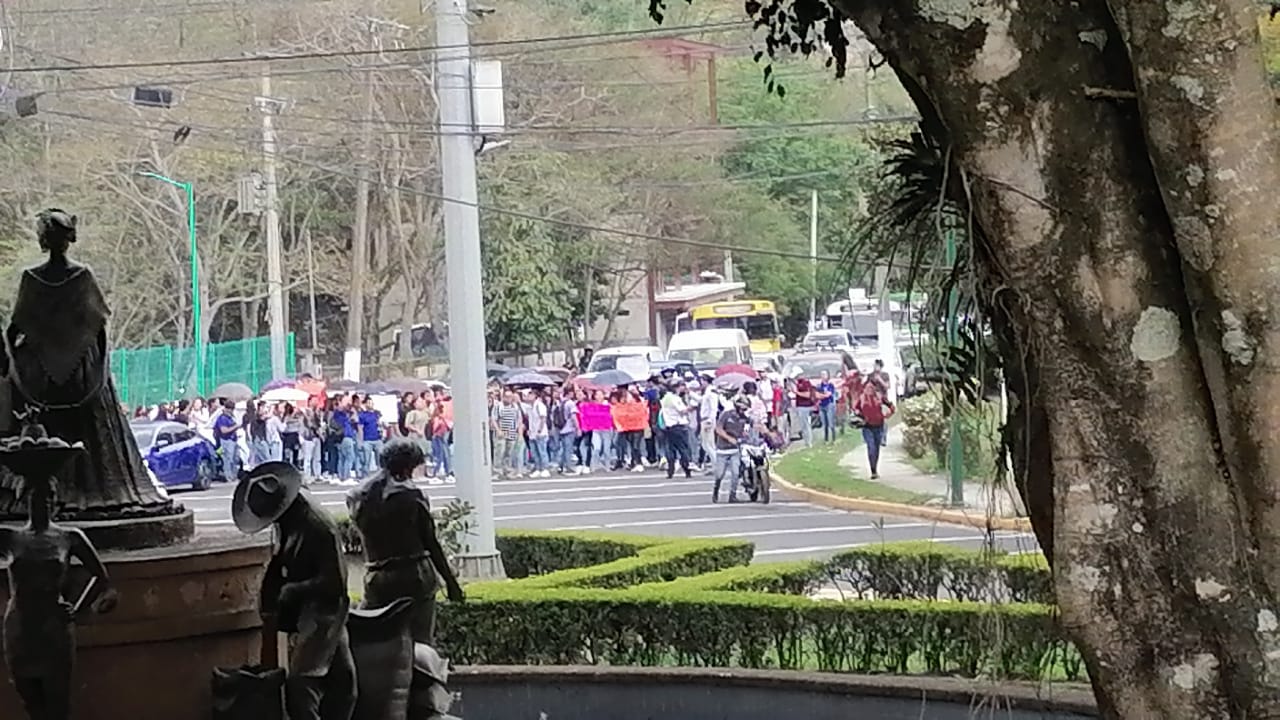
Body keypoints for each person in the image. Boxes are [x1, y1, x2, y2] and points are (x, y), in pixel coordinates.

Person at [0, 209, 172, 518]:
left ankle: (35, 497)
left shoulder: (33, 279)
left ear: (43, 238)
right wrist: (100, 372)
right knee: (94, 432)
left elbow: (14, 332)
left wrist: (13, 365)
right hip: (84, 373)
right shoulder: (82, 276)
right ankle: (99, 490)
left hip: (40, 377)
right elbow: (100, 330)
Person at [233, 462, 356, 720]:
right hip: (309, 609)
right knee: (342, 682)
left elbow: (334, 582)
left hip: (325, 610)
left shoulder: (318, 526)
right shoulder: (289, 516)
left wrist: (293, 590)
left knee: (301, 684)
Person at [0, 460, 118, 720]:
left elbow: (102, 579)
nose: (41, 502)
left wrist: (78, 607)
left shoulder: (70, 537)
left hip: (54, 628)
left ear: (55, 502)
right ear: (23, 500)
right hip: (19, 627)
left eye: (47, 497)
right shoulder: (9, 537)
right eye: (34, 496)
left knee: (58, 704)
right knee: (31, 702)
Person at [345, 440, 464, 645]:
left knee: (371, 638)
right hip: (414, 574)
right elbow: (430, 542)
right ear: (408, 466)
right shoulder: (411, 494)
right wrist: (451, 583)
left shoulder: (357, 495)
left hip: (377, 575)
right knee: (421, 642)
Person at [712, 396, 752, 503]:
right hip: (722, 449)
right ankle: (716, 489)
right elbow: (718, 429)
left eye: (745, 409)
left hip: (735, 450)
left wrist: (745, 436)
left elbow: (746, 432)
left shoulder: (745, 419)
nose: (743, 411)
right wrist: (729, 438)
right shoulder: (726, 415)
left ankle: (732, 495)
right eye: (742, 409)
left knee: (735, 473)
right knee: (720, 474)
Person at [854, 381, 895, 479]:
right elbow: (855, 409)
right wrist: (858, 415)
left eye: (871, 388)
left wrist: (889, 414)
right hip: (867, 426)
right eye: (867, 388)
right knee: (871, 447)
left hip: (879, 425)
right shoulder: (862, 398)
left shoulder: (879, 397)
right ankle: (873, 471)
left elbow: (891, 406)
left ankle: (875, 469)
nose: (869, 390)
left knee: (876, 448)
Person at [659, 381, 692, 479]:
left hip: (669, 426)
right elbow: (682, 410)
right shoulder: (674, 398)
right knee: (683, 449)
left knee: (671, 449)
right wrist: (692, 407)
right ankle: (686, 469)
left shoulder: (665, 398)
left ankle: (671, 470)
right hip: (678, 425)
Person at [490, 389, 524, 479]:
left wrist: (520, 434)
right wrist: (498, 430)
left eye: (510, 397)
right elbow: (494, 419)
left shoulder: (515, 407)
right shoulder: (498, 407)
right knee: (499, 452)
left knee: (509, 452)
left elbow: (519, 421)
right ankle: (497, 471)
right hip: (501, 432)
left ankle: (507, 470)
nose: (508, 399)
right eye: (507, 397)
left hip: (512, 432)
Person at [212, 401, 241, 483]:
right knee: (228, 459)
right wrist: (235, 427)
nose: (231, 411)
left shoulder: (231, 418)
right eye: (230, 409)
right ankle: (228, 476)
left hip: (233, 440)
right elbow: (223, 430)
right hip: (226, 440)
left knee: (235, 459)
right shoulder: (222, 418)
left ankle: (234, 476)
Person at [356, 397, 383, 477]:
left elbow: (381, 425)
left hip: (377, 439)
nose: (370, 405)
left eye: (371, 403)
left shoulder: (377, 414)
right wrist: (361, 440)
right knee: (366, 460)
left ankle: (380, 475)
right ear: (365, 404)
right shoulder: (362, 415)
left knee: (380, 459)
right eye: (368, 403)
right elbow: (360, 428)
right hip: (367, 439)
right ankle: (365, 476)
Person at [816, 371, 837, 443]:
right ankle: (826, 439)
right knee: (824, 424)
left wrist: (822, 395)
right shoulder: (819, 386)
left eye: (824, 374)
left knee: (831, 423)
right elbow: (817, 395)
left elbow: (829, 394)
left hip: (829, 405)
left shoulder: (830, 385)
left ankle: (833, 439)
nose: (822, 376)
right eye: (821, 374)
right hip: (822, 405)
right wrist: (822, 396)